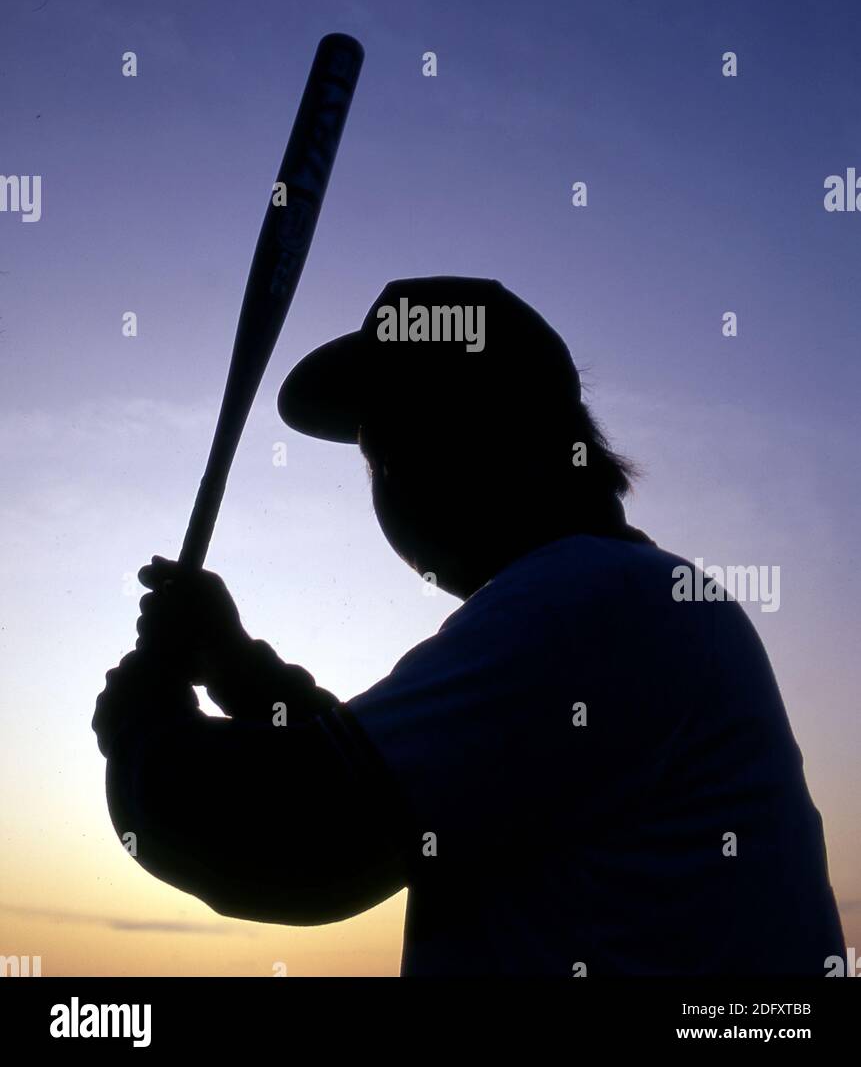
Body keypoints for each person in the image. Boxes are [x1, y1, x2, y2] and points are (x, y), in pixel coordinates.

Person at [93, 276, 844, 976]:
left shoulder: (584, 602)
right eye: (378, 458)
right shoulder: (630, 598)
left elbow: (305, 834)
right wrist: (237, 669)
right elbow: (390, 781)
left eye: (407, 444)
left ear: (517, 437)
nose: (393, 485)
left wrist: (143, 716)